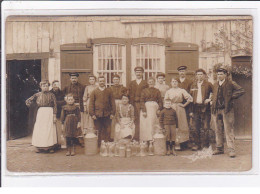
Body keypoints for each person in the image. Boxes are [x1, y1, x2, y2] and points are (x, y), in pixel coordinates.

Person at [211, 67, 245, 158]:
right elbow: (214, 95)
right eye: (218, 74)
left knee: (228, 130)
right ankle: (219, 148)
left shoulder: (230, 83)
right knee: (218, 129)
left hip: (227, 110)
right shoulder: (215, 84)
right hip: (216, 109)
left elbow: (241, 90)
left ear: (225, 75)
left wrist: (231, 97)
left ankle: (231, 150)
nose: (219, 76)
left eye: (221, 74)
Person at [25, 80, 57, 153]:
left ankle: (50, 147)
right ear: (41, 87)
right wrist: (33, 107)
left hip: (49, 112)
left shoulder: (52, 95)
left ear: (49, 87)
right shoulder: (37, 95)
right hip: (41, 112)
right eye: (43, 86)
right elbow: (28, 101)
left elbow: (55, 105)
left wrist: (54, 115)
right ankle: (39, 147)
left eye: (46, 86)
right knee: (40, 129)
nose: (45, 87)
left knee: (49, 129)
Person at [164, 77, 193, 151]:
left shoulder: (181, 90)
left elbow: (190, 99)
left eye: (176, 82)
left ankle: (180, 143)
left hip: (180, 109)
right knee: (172, 124)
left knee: (180, 124)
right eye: (173, 81)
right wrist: (168, 108)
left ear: (178, 83)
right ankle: (171, 142)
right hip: (171, 108)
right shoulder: (168, 91)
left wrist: (184, 105)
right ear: (170, 83)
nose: (174, 83)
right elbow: (165, 100)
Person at [189, 69, 213, 151]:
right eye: (198, 74)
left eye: (201, 74)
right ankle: (197, 145)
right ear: (196, 76)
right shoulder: (193, 85)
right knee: (195, 127)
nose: (199, 76)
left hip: (205, 108)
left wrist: (210, 99)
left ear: (204, 75)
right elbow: (190, 98)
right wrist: (191, 111)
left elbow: (215, 93)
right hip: (195, 108)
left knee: (206, 127)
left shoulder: (208, 84)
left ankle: (206, 145)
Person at [89, 75, 116, 147]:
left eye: (103, 81)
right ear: (98, 82)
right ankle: (99, 145)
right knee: (98, 130)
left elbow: (113, 103)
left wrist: (112, 113)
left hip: (107, 114)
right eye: (100, 81)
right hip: (97, 114)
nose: (102, 82)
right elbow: (91, 103)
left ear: (105, 82)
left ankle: (107, 144)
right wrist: (92, 114)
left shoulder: (109, 91)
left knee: (108, 130)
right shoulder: (94, 92)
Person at [63, 72, 85, 145]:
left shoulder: (82, 87)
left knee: (79, 123)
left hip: (79, 106)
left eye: (75, 78)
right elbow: (64, 97)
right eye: (72, 78)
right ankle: (72, 140)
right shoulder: (67, 87)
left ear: (77, 78)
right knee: (71, 124)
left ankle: (79, 141)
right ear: (70, 79)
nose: (74, 80)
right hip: (70, 107)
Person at [128, 66, 149, 141]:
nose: (138, 73)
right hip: (133, 104)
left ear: (143, 73)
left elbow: (147, 93)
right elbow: (129, 94)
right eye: (137, 72)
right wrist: (130, 104)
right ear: (135, 73)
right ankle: (135, 138)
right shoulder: (132, 83)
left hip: (143, 104)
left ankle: (143, 138)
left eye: (140, 72)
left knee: (142, 121)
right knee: (135, 120)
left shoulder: (145, 83)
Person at [140, 77, 163, 143]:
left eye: (152, 81)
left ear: (154, 82)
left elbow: (160, 101)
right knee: (146, 124)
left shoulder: (157, 91)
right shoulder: (144, 91)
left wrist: (159, 109)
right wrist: (144, 111)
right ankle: (146, 140)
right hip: (147, 108)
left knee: (154, 123)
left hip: (154, 108)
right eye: (149, 81)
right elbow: (142, 100)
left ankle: (154, 139)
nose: (151, 82)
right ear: (147, 82)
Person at [109, 74, 128, 140]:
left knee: (120, 118)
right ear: (112, 80)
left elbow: (126, 97)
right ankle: (113, 136)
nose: (116, 81)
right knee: (113, 120)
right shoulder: (110, 88)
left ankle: (122, 136)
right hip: (112, 103)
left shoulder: (123, 88)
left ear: (119, 80)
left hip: (121, 103)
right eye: (114, 80)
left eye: (117, 79)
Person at [50, 80, 66, 149]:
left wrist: (55, 103)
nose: (56, 86)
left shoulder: (62, 93)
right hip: (51, 112)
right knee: (52, 128)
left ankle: (59, 143)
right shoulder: (49, 93)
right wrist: (58, 103)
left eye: (57, 85)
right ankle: (53, 143)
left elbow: (64, 102)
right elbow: (49, 103)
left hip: (59, 112)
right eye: (54, 85)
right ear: (52, 85)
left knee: (59, 128)